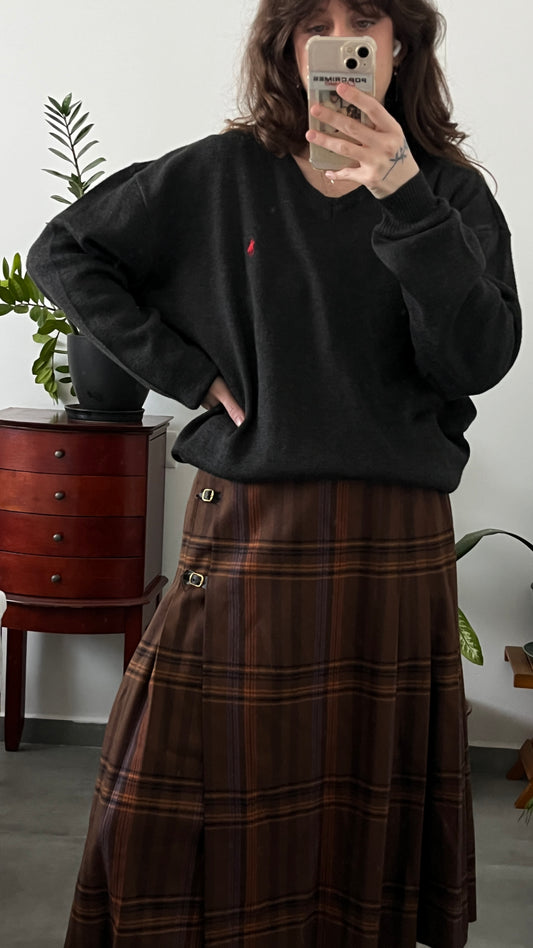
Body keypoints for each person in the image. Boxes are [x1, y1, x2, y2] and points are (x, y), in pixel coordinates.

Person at [27, 1, 521, 946]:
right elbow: (65, 251)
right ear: (285, 47)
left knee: (360, 792)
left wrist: (403, 196)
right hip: (247, 517)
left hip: (393, 534)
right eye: (312, 22)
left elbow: (477, 358)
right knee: (173, 781)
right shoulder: (222, 174)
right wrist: (183, 372)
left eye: (364, 18)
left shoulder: (449, 195)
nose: (339, 39)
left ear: (400, 43)